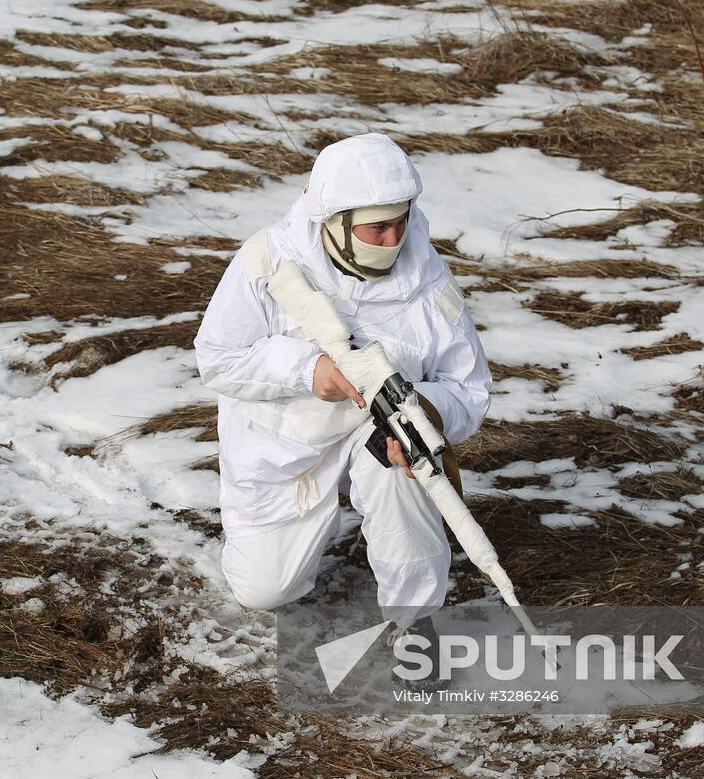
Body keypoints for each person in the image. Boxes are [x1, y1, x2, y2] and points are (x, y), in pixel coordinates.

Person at [193, 132, 492, 634]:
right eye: (377, 228)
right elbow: (217, 359)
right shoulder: (266, 262)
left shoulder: (428, 277)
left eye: (401, 222)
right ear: (334, 222)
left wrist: (428, 411)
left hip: (377, 436)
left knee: (403, 461)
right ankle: (303, 526)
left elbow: (469, 387)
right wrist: (307, 372)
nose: (393, 239)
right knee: (265, 591)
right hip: (285, 449)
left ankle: (415, 623)